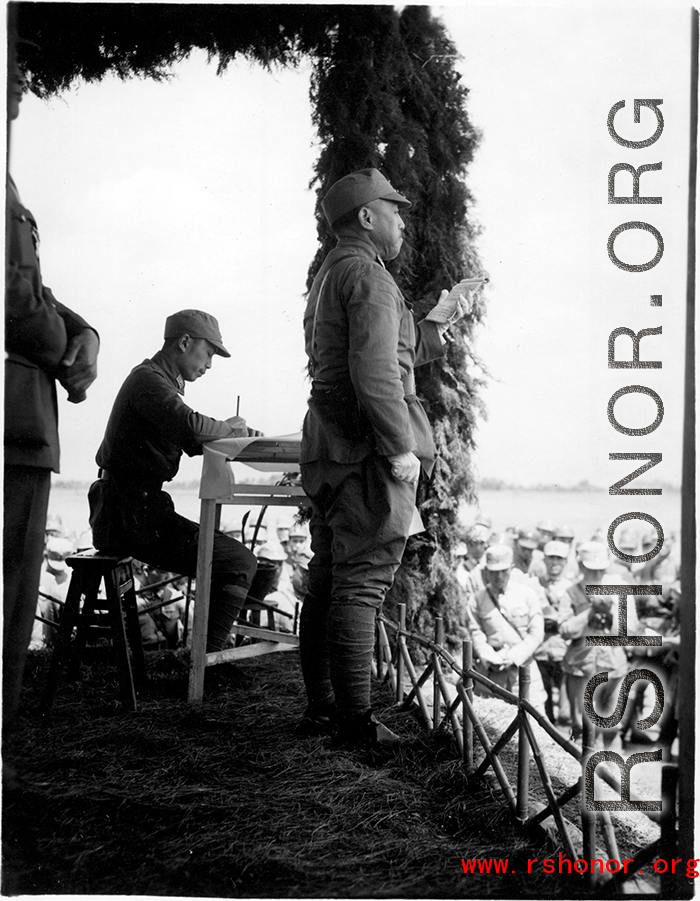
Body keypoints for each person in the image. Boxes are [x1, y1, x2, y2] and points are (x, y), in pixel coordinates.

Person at [297, 167, 478, 746]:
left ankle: (325, 709)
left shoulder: (338, 271)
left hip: (332, 447)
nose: (403, 220)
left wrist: (442, 315)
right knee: (362, 584)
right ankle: (356, 728)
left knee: (329, 580)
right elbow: (375, 373)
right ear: (368, 218)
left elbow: (393, 351)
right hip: (366, 452)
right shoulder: (368, 278)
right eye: (394, 210)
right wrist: (401, 447)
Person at [4, 32, 100, 741]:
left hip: (26, 424)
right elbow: (18, 302)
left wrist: (83, 331)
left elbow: (34, 292)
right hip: (15, 427)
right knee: (7, 590)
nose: (18, 92)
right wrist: (69, 343)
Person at [88, 310, 257, 653]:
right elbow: (192, 427)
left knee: (236, 561)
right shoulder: (147, 381)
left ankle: (198, 658)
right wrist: (230, 428)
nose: (209, 365)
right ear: (184, 342)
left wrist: (240, 436)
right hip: (127, 514)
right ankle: (200, 664)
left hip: (134, 510)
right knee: (239, 562)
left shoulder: (159, 384)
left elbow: (193, 437)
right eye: (208, 353)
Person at [558, 541, 640, 748]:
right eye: (590, 569)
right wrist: (589, 612)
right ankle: (584, 777)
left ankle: (612, 776)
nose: (596, 574)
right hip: (581, 667)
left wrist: (609, 611)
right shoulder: (571, 592)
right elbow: (565, 631)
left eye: (600, 569)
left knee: (612, 726)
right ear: (581, 566)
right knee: (580, 725)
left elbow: (630, 631)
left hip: (612, 666)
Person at [465, 545, 546, 706]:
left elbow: (536, 633)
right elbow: (476, 632)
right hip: (490, 674)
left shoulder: (527, 594)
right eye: (494, 572)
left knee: (533, 723)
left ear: (511, 568)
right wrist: (488, 657)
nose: (499, 576)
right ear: (486, 571)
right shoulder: (477, 599)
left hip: (523, 671)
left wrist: (513, 657)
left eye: (504, 571)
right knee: (489, 723)